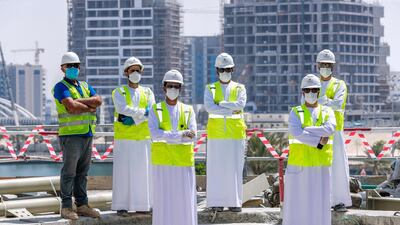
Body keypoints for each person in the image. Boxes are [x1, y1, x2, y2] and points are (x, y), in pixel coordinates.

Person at [52, 52, 102, 220]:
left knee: (82, 172)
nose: (73, 68)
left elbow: (99, 100)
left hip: (87, 134)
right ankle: (66, 207)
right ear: (62, 68)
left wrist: (81, 102)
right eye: (69, 66)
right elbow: (71, 107)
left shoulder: (84, 85)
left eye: (76, 66)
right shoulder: (61, 87)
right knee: (69, 172)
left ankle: (82, 205)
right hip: (71, 136)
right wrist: (89, 106)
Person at [283, 74, 336, 225]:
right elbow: (296, 132)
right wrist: (318, 142)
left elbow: (330, 128)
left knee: (320, 204)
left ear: (319, 92)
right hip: (299, 165)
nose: (311, 93)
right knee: (297, 204)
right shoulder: (295, 112)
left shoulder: (328, 111)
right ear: (302, 92)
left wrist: (306, 129)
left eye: (314, 90)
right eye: (307, 90)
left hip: (321, 165)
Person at [148, 70, 198, 225]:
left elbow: (193, 135)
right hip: (163, 163)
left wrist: (168, 136)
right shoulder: (155, 110)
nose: (173, 89)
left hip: (183, 163)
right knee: (163, 202)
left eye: (176, 87)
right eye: (170, 86)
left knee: (185, 203)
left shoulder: (188, 110)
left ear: (180, 89)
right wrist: (180, 135)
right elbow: (154, 134)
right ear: (164, 87)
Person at [111, 57, 155, 216]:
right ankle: (121, 206)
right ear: (126, 73)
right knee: (123, 174)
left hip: (143, 139)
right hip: (124, 140)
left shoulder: (148, 92)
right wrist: (142, 114)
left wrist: (134, 118)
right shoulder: (119, 92)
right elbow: (122, 108)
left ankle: (143, 205)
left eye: (138, 70)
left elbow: (153, 112)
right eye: (132, 70)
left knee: (143, 173)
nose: (135, 73)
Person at [204, 52, 247, 212]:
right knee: (216, 169)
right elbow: (209, 107)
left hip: (235, 135)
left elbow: (240, 105)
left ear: (233, 69)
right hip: (216, 135)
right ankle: (216, 202)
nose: (225, 72)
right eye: (222, 69)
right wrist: (230, 108)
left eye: (228, 69)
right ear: (217, 70)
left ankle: (235, 202)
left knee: (234, 169)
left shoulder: (239, 87)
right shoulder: (210, 88)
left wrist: (221, 104)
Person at [316, 49, 351, 211]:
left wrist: (322, 101)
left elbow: (338, 103)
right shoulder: (312, 83)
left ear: (333, 67)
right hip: (316, 132)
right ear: (317, 66)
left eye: (328, 65)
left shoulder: (339, 84)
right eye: (323, 64)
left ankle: (338, 201)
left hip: (334, 133)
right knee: (317, 167)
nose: (325, 67)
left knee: (337, 167)